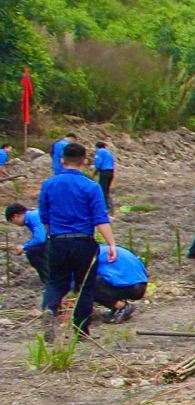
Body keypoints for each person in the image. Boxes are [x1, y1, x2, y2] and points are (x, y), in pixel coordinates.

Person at [37, 143, 117, 338]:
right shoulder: (91, 186)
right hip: (83, 241)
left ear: (62, 160)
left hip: (58, 240)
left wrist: (53, 234)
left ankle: (49, 309)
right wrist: (111, 243)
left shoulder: (48, 185)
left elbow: (44, 216)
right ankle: (81, 330)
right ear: (84, 161)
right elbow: (100, 218)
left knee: (55, 283)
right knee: (84, 287)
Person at [93, 242, 146, 323]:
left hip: (131, 285)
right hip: (141, 284)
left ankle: (123, 307)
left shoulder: (89, 254)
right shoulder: (101, 249)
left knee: (88, 284)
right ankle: (116, 309)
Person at [6, 202, 48, 283]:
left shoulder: (34, 217)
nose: (15, 224)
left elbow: (40, 238)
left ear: (15, 216)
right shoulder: (31, 217)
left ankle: (49, 281)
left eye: (12, 221)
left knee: (33, 252)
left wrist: (24, 247)